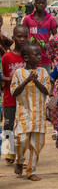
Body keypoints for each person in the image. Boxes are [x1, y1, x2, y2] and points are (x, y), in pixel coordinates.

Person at [11, 42, 50, 180]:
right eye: (36, 55)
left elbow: (47, 90)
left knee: (36, 145)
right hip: (24, 114)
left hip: (39, 116)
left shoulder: (43, 72)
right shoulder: (18, 73)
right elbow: (14, 92)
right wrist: (27, 80)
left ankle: (31, 171)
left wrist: (36, 81)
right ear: (26, 58)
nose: (40, 57)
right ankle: (19, 160)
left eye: (40, 54)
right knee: (21, 141)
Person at [2, 23, 28, 163]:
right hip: (10, 98)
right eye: (19, 37)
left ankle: (19, 153)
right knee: (8, 125)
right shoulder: (7, 57)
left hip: (25, 99)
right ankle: (9, 151)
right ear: (13, 37)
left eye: (25, 37)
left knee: (23, 126)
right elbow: (1, 76)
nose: (22, 39)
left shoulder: (29, 56)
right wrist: (13, 79)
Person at [22, 0, 57, 66]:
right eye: (38, 3)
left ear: (46, 4)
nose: (41, 5)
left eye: (43, 3)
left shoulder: (51, 19)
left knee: (44, 76)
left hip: (45, 56)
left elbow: (56, 37)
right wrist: (28, 41)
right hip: (30, 56)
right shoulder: (27, 19)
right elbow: (23, 35)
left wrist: (49, 45)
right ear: (35, 4)